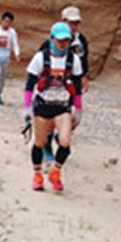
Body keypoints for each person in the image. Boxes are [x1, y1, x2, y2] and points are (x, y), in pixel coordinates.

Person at [24, 22, 84, 192]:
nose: (63, 43)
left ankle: (55, 172)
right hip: (43, 106)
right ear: (52, 39)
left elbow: (77, 86)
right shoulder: (40, 58)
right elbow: (30, 84)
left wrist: (78, 108)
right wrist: (27, 106)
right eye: (60, 40)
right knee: (40, 142)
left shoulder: (74, 60)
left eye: (66, 40)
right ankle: (37, 175)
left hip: (62, 106)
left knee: (65, 142)